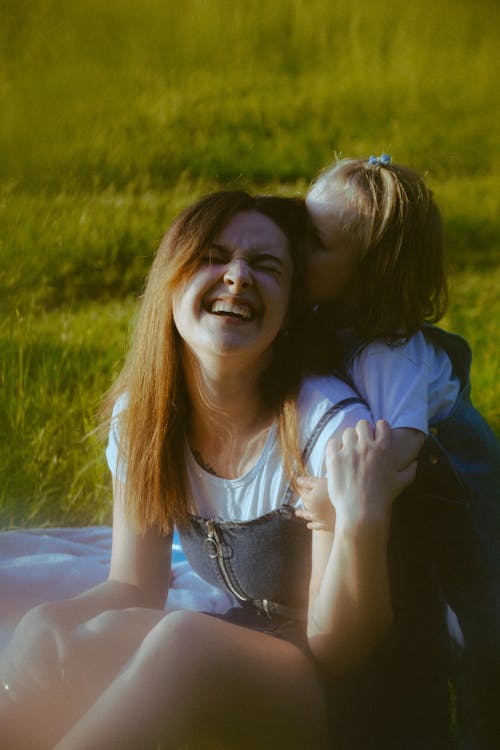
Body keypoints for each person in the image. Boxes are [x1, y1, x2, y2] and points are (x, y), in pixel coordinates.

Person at [0, 190, 415, 750]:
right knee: (57, 640)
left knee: (182, 642)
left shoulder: (328, 427)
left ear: (291, 308)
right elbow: (134, 584)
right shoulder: (145, 417)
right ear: (172, 281)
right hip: (239, 643)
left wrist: (359, 518)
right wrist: (50, 623)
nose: (237, 277)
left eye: (266, 267)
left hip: (332, 694)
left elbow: (341, 649)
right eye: (213, 257)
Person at [300, 155, 500, 748]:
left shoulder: (387, 352)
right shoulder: (325, 313)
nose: (293, 247)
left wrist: (334, 501)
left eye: (313, 242)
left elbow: (400, 451)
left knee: (474, 618)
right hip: (425, 477)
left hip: (456, 485)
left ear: (366, 276)